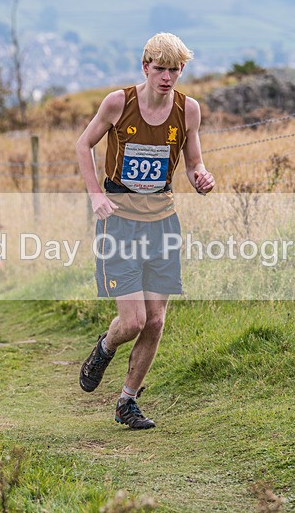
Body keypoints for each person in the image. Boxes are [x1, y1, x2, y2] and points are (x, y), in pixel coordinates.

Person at [76, 32, 215, 429]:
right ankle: (105, 346)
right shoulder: (119, 102)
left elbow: (193, 163)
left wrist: (201, 177)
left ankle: (127, 402)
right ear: (145, 67)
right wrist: (94, 197)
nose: (168, 77)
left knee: (155, 320)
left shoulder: (189, 110)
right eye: (161, 69)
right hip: (119, 220)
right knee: (133, 321)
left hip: (162, 221)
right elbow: (83, 145)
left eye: (175, 70)